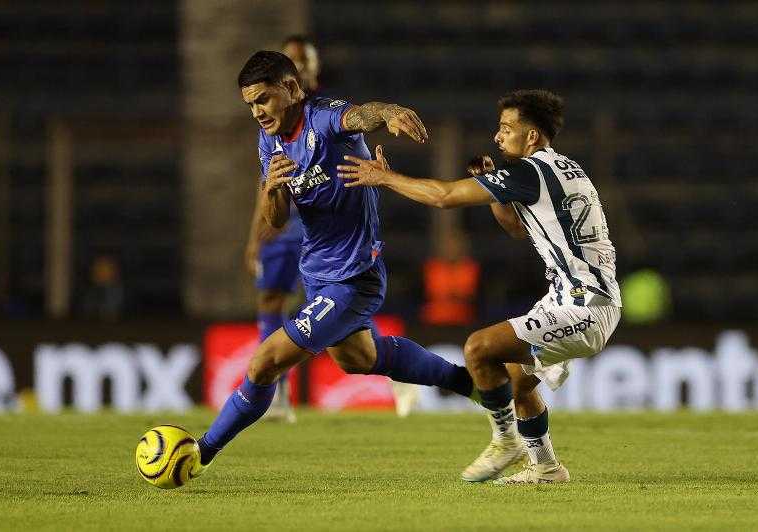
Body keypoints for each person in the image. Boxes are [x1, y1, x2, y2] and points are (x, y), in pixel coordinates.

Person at [191, 51, 481, 478]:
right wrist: (273, 188)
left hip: (353, 276)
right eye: (250, 104)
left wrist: (391, 112)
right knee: (359, 359)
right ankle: (476, 385)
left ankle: (199, 452)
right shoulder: (267, 142)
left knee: (263, 363)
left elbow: (363, 115)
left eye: (264, 100)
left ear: (291, 89)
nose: (257, 112)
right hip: (318, 274)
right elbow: (275, 220)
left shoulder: (323, 119)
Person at [338, 89, 622, 484]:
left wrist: (383, 177)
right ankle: (546, 468)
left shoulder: (530, 172)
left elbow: (444, 197)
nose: (498, 136)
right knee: (519, 381)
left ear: (533, 137)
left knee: (479, 348)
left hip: (586, 306)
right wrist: (493, 188)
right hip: (568, 298)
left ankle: (506, 440)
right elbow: (516, 229)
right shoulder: (563, 169)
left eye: (507, 129)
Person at [244, 36, 322, 423]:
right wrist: (253, 238)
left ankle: (391, 364)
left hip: (319, 232)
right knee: (270, 301)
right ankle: (277, 392)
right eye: (290, 61)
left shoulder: (327, 115)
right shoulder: (270, 120)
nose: (298, 67)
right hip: (281, 230)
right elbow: (266, 182)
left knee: (333, 307)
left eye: (302, 61)